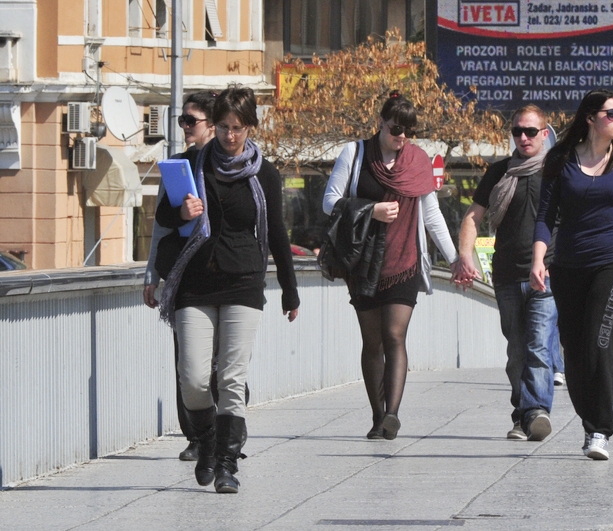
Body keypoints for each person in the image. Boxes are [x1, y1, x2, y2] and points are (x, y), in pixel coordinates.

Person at [156, 85, 300, 493]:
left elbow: (276, 233)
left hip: (243, 282)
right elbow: (163, 216)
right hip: (195, 284)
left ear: (250, 127)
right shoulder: (190, 165)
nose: (230, 136)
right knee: (193, 379)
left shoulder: (264, 174)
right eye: (223, 127)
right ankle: (206, 441)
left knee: (232, 378)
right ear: (214, 126)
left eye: (237, 128)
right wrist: (181, 210)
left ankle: (226, 464)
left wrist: (290, 290)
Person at [530, 89, 613, 460]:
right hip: (569, 266)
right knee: (574, 353)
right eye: (611, 114)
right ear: (590, 118)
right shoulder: (560, 160)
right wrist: (538, 259)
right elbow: (545, 215)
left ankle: (599, 429)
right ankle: (591, 419)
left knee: (600, 342)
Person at [322, 92, 459, 441]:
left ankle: (392, 415)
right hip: (364, 262)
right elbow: (329, 202)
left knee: (395, 335)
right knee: (373, 342)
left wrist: (456, 259)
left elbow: (431, 215)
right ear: (380, 123)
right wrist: (372, 210)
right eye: (396, 129)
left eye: (409, 132)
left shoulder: (417, 160)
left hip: (404, 261)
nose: (402, 137)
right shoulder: (355, 153)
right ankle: (376, 415)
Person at [452, 104, 559, 442]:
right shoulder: (500, 172)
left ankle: (535, 412)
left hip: (547, 274)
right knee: (517, 352)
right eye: (517, 131)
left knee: (539, 347)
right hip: (507, 275)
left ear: (544, 134)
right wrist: (464, 256)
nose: (523, 137)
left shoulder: (558, 170)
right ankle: (523, 414)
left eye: (531, 131)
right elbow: (473, 217)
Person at [143, 91, 216, 461]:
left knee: (220, 362)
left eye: (192, 120)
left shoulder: (229, 164)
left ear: (213, 124)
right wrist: (151, 275)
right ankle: (196, 436)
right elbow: (161, 225)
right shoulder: (175, 167)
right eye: (182, 120)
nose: (185, 126)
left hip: (224, 273)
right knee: (187, 361)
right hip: (184, 276)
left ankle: (222, 431)